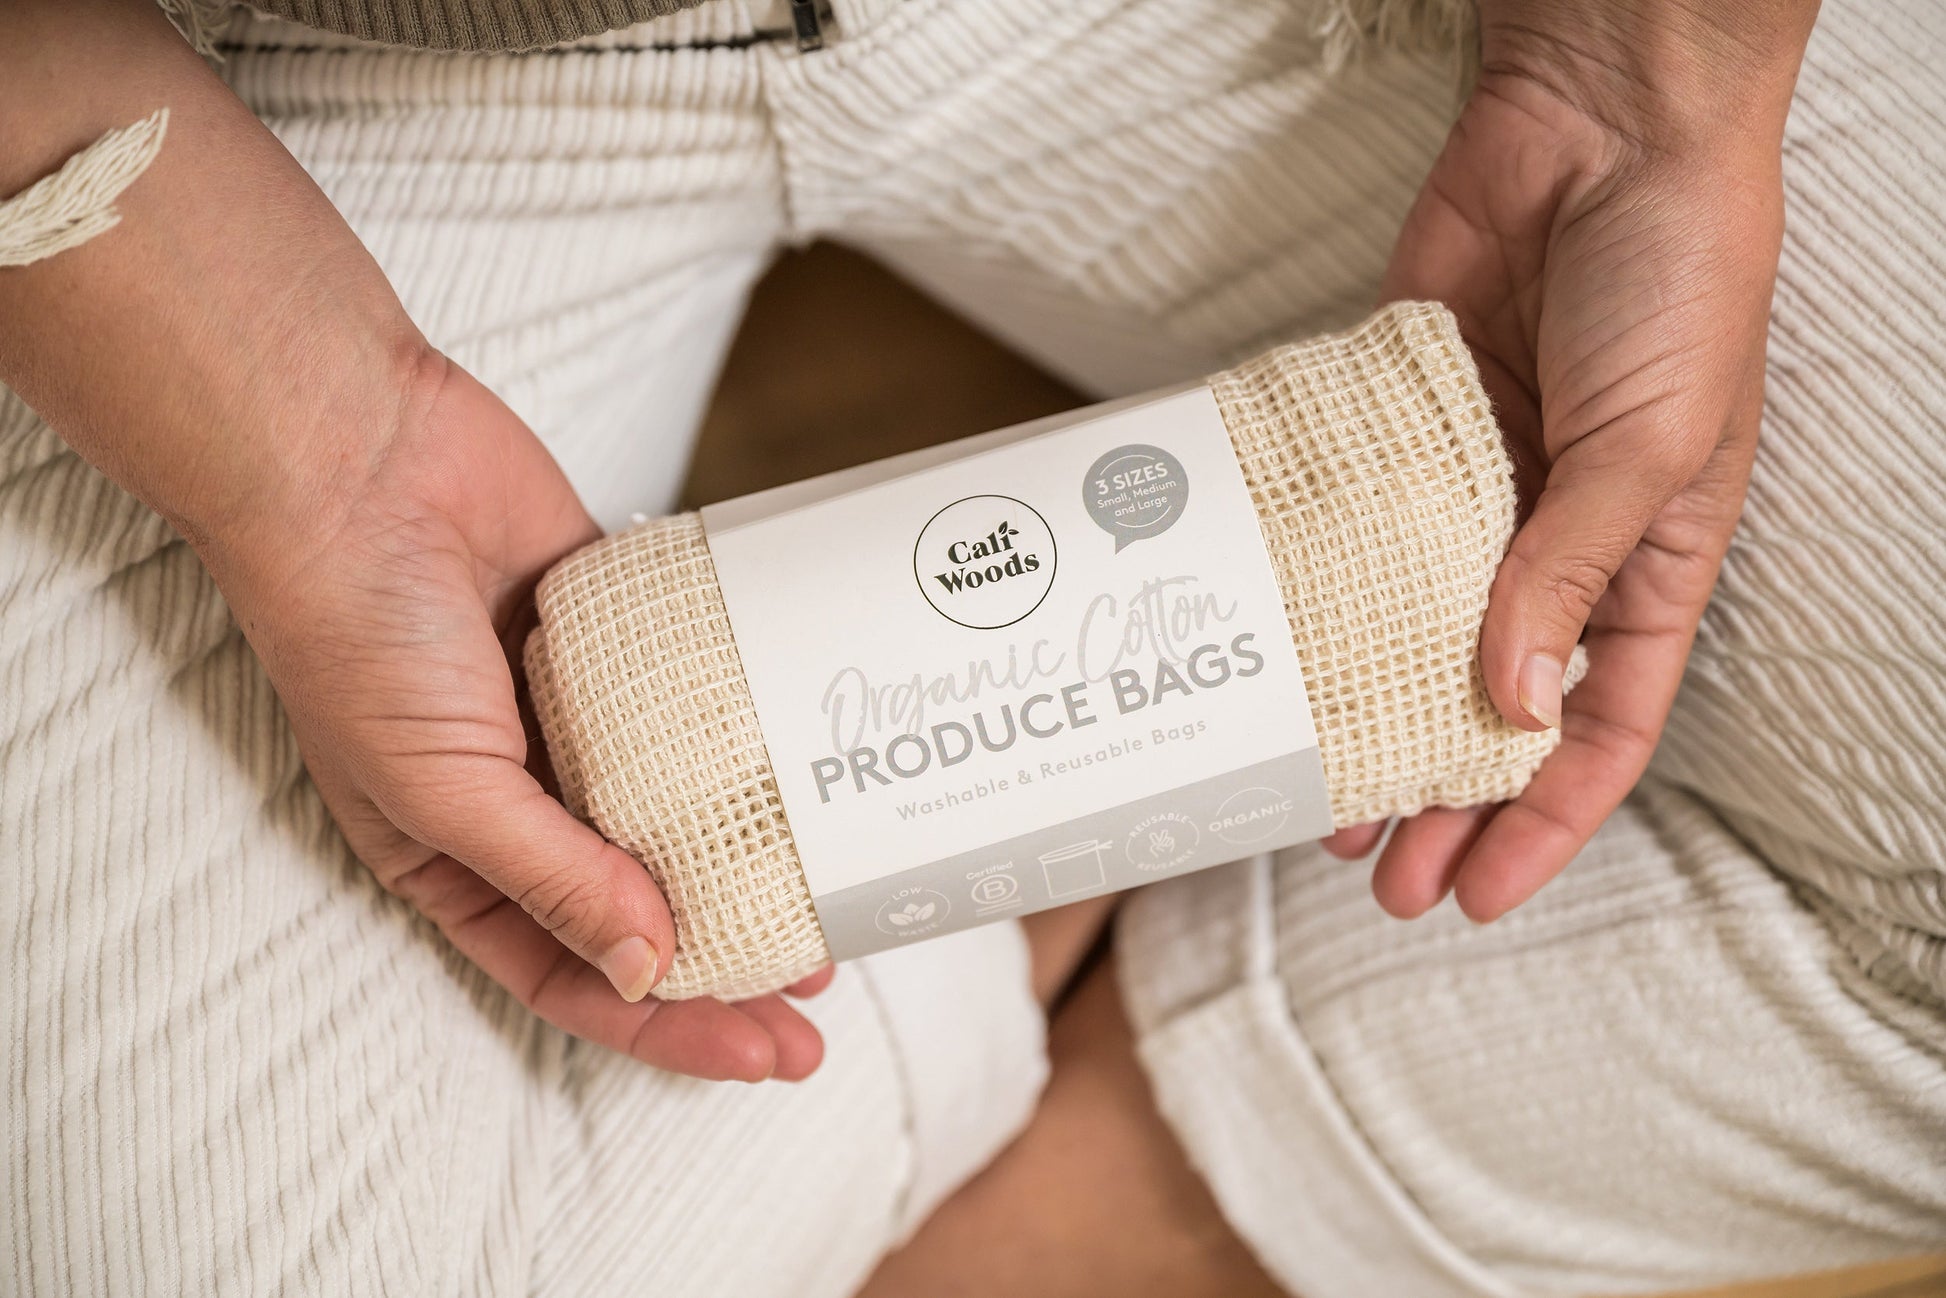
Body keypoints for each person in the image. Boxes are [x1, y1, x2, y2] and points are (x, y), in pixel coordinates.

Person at [1, 0, 1939, 1294]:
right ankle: (1099, 822)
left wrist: (1636, 82)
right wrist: (310, 444)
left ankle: (1110, 1108)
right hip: (242, 96)